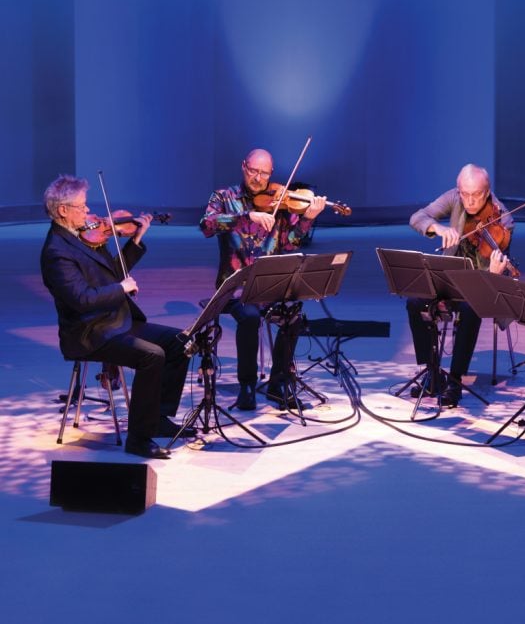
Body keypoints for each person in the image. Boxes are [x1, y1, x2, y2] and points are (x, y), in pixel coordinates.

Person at [40, 175, 191, 460]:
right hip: (89, 332)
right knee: (152, 356)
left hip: (114, 321)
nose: (89, 213)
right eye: (82, 207)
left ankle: (158, 417)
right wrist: (120, 288)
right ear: (62, 210)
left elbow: (113, 272)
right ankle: (139, 438)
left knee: (179, 342)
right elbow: (82, 300)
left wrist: (135, 240)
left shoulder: (82, 237)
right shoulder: (56, 252)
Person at [200, 148, 326, 411]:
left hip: (268, 285)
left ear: (271, 173)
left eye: (264, 173)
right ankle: (246, 385)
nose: (258, 178)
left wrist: (306, 220)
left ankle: (278, 383)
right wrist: (246, 216)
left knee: (294, 315)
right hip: (233, 287)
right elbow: (206, 226)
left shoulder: (280, 202)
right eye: (253, 171)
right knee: (249, 317)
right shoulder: (224, 197)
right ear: (243, 166)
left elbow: (290, 244)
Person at [407, 164, 514, 406]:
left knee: (469, 309)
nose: (470, 201)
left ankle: (454, 381)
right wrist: (438, 227)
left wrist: (495, 273)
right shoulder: (455, 197)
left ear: (487, 192)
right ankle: (431, 372)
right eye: (465, 194)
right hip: (450, 279)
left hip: (482, 285)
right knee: (415, 303)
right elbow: (417, 217)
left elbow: (499, 276)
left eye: (476, 195)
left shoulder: (504, 220)